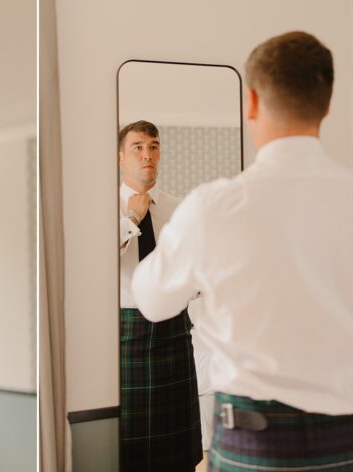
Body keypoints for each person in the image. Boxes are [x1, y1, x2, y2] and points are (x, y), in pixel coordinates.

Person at [134, 31, 353, 470]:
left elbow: (152, 302)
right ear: (327, 105)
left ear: (250, 102)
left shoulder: (212, 207)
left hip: (253, 443)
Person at [117, 119, 201, 470]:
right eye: (137, 147)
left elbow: (195, 264)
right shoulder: (102, 207)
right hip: (128, 333)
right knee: (131, 450)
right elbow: (94, 263)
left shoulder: (178, 209)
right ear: (121, 157)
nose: (147, 155)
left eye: (153, 146)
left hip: (174, 332)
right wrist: (131, 217)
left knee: (178, 453)